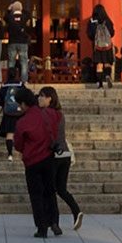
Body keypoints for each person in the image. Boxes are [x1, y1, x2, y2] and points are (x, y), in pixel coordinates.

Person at [13, 86, 61, 238]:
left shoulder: (23, 122)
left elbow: (18, 144)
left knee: (36, 195)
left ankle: (41, 227)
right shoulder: (49, 114)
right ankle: (54, 221)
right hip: (48, 157)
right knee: (50, 191)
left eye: (20, 104)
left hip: (32, 161)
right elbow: (57, 122)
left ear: (24, 103)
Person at [36, 85, 82, 231]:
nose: (39, 98)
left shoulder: (46, 114)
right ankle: (76, 211)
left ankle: (53, 222)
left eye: (42, 96)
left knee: (48, 189)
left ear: (50, 99)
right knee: (61, 189)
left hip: (54, 155)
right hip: (65, 154)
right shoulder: (60, 114)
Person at [0, 67, 26, 160]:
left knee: (9, 134)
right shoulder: (20, 85)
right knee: (22, 132)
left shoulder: (4, 86)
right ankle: (23, 152)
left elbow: (0, 100)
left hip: (8, 113)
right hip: (20, 111)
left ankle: (10, 154)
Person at [88, 5, 116, 87]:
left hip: (97, 46)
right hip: (107, 46)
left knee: (99, 65)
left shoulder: (92, 21)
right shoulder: (107, 20)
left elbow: (90, 35)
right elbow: (112, 33)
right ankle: (107, 75)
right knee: (107, 63)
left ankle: (100, 84)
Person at [7, 1, 31, 83]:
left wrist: (9, 9)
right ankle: (24, 79)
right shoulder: (24, 17)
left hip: (12, 41)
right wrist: (21, 9)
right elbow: (28, 14)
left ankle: (10, 79)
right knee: (24, 61)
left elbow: (5, 17)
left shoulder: (10, 17)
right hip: (23, 42)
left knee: (11, 61)